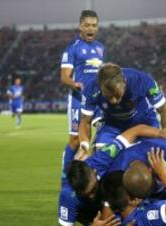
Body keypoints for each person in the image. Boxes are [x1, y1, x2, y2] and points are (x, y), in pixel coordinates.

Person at [59, 124, 165, 226]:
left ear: (95, 172)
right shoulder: (67, 195)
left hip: (110, 197)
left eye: (93, 189)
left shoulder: (102, 158)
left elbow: (136, 130)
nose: (92, 196)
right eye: (86, 194)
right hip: (89, 212)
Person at [78, 62, 166, 159]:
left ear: (124, 82)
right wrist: (84, 146)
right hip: (112, 125)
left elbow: (164, 109)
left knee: (154, 157)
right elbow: (85, 121)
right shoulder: (91, 89)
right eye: (108, 96)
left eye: (117, 94)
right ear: (100, 87)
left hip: (145, 122)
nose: (114, 101)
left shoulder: (141, 80)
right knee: (102, 158)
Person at [60, 10, 106, 183]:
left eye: (94, 25)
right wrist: (75, 84)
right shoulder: (73, 47)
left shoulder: (101, 48)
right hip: (79, 100)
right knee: (75, 140)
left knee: (101, 136)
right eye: (87, 25)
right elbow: (64, 76)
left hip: (98, 101)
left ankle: (95, 177)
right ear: (80, 26)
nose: (90, 28)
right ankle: (65, 178)